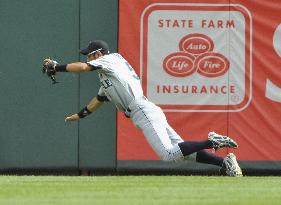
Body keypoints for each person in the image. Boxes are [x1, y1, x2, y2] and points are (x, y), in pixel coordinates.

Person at [43, 40, 243, 177]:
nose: (88, 58)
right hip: (146, 109)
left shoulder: (110, 59)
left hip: (141, 109)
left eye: (89, 55)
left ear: (98, 53)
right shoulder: (108, 74)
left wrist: (57, 67)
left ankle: (211, 140)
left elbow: (84, 67)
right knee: (181, 151)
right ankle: (224, 163)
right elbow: (99, 99)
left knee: (168, 155)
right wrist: (79, 116)